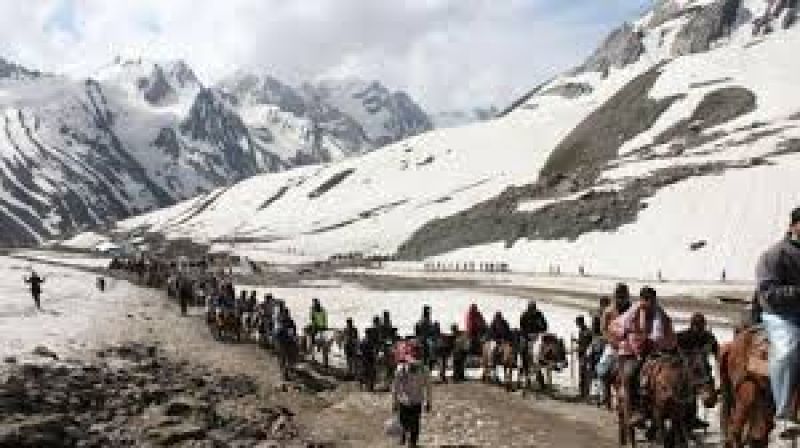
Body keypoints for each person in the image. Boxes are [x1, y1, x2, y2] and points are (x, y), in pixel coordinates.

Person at [756, 207, 800, 437]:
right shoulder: (773, 255)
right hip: (781, 315)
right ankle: (784, 413)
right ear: (794, 225)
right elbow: (767, 292)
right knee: (788, 349)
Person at [610, 286, 676, 426]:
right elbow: (615, 327)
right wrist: (628, 334)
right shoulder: (631, 313)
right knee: (631, 374)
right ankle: (636, 409)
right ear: (641, 300)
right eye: (646, 300)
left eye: (651, 300)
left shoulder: (661, 315)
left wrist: (666, 343)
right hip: (631, 352)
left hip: (656, 352)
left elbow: (668, 332)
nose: (649, 303)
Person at [676, 312, 719, 430]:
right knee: (688, 393)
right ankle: (687, 418)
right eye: (697, 326)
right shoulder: (682, 336)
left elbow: (717, 354)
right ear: (692, 325)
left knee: (708, 390)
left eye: (701, 326)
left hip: (703, 369)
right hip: (685, 369)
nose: (699, 329)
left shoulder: (709, 337)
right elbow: (675, 351)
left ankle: (694, 417)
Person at [392, 345, 433, 448]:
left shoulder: (424, 370)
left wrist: (428, 402)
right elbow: (395, 387)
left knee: (415, 423)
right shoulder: (401, 369)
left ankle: (412, 442)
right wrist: (395, 401)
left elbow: (428, 387)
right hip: (404, 401)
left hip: (416, 401)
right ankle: (404, 436)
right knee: (403, 421)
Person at [574, 315, 594, 400]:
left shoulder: (586, 332)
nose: (577, 325)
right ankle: (582, 392)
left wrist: (578, 344)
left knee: (584, 374)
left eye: (577, 323)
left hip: (584, 355)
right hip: (582, 355)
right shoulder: (583, 331)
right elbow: (583, 343)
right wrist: (577, 341)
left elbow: (585, 344)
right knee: (583, 374)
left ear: (580, 322)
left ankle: (584, 393)